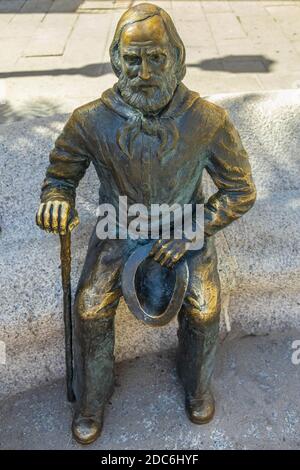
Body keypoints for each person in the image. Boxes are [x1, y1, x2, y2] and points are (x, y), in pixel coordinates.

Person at [36, 3, 256, 445]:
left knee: (205, 307)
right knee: (90, 308)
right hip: (117, 232)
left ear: (177, 56)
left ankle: (196, 384)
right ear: (117, 59)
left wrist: (193, 230)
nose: (145, 71)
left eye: (157, 57)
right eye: (133, 59)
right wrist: (56, 201)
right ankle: (92, 399)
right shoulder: (89, 120)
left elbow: (240, 191)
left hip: (185, 232)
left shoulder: (208, 120)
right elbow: (61, 176)